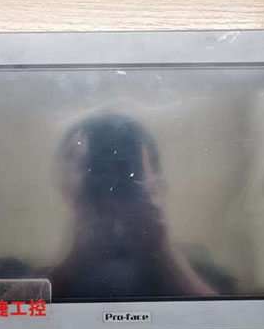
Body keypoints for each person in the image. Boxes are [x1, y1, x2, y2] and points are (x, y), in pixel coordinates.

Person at [49, 113, 218, 300]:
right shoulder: (34, 276)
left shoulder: (196, 267)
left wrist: (165, 252)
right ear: (63, 183)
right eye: (88, 165)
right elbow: (26, 311)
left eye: (126, 166)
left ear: (158, 185)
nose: (107, 180)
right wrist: (73, 262)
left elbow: (224, 313)